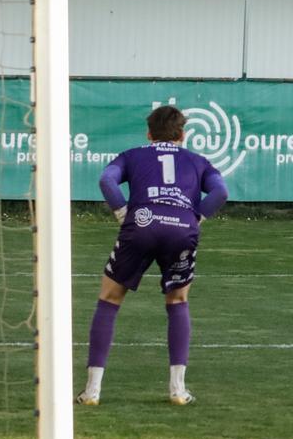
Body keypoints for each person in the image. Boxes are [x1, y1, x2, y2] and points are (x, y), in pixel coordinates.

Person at [76, 105, 228, 405]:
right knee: (178, 300)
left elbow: (107, 180)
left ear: (149, 134)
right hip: (181, 229)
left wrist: (122, 212)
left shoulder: (132, 154)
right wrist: (195, 219)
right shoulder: (198, 161)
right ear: (182, 134)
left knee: (109, 299)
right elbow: (220, 192)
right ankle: (178, 391)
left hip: (142, 224)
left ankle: (92, 390)